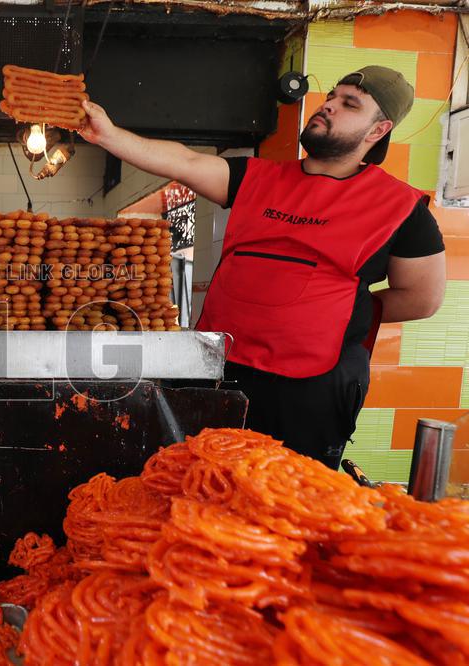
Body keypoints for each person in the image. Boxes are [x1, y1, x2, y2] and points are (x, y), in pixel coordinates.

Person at [80, 66, 446, 469]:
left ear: (378, 131)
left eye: (349, 104)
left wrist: (337, 310)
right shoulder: (256, 177)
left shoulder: (400, 208)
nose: (327, 107)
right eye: (330, 97)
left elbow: (422, 298)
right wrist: (109, 135)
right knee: (197, 481)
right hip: (220, 371)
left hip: (312, 389)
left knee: (286, 504)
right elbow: (183, 161)